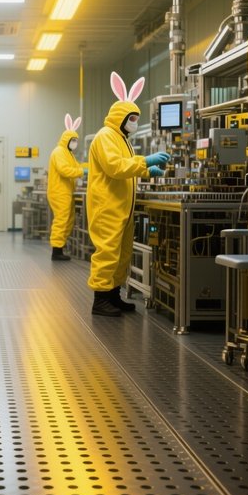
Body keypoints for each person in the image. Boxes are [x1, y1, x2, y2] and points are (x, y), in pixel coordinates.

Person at [87, 72, 170, 316]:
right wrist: (145, 161)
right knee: (107, 253)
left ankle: (113, 296)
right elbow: (115, 167)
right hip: (107, 207)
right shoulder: (105, 136)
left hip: (122, 208)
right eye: (131, 118)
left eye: (136, 118)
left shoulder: (122, 139)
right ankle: (100, 299)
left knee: (122, 255)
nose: (134, 122)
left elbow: (126, 167)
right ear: (119, 117)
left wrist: (146, 171)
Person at [47, 113, 85, 261]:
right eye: (73, 140)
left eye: (76, 140)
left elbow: (77, 166)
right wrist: (82, 172)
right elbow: (64, 170)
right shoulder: (59, 152)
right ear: (66, 140)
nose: (75, 143)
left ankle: (60, 247)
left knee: (68, 219)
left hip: (67, 191)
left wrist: (89, 167)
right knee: (61, 219)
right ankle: (56, 251)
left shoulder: (69, 154)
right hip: (59, 191)